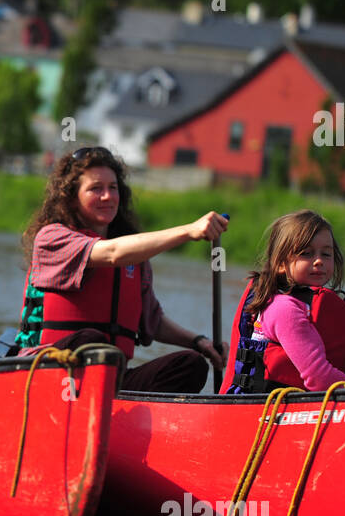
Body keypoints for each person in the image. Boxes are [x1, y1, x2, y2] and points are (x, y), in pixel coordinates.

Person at [16, 145, 228, 393]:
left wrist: (199, 342)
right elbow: (111, 253)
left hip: (108, 380)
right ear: (72, 198)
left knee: (190, 365)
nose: (107, 196)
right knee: (91, 342)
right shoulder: (52, 238)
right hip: (45, 374)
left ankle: (126, 419)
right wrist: (188, 231)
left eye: (113, 188)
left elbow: (152, 321)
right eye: (96, 188)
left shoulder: (133, 258)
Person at [221, 209, 345, 393]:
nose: (318, 261)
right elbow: (318, 377)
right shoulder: (283, 309)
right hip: (263, 408)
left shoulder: (314, 305)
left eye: (326, 254)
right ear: (281, 264)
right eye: (307, 253)